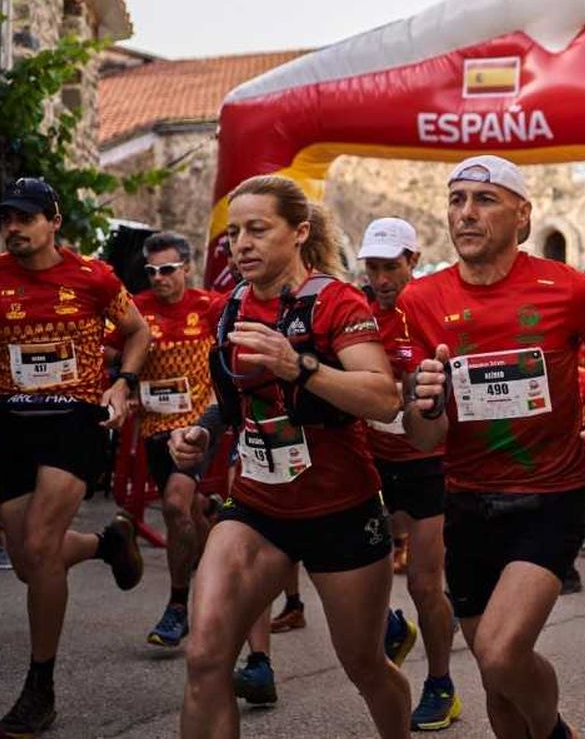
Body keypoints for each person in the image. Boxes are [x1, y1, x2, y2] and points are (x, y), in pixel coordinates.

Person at [403, 155, 585, 739]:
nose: (466, 213)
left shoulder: (567, 289)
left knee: (503, 653)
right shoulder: (420, 300)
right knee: (493, 683)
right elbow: (423, 437)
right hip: (467, 499)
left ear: (522, 215)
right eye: (457, 199)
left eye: (484, 199)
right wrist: (424, 403)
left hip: (549, 496)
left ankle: (557, 733)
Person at [169, 175, 411, 739]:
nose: (242, 245)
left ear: (299, 232)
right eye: (234, 234)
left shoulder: (335, 302)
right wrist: (203, 433)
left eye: (258, 229)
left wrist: (298, 366)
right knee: (204, 658)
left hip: (341, 509)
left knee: (365, 666)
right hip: (258, 505)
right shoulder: (229, 307)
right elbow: (228, 400)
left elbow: (381, 396)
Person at [0, 178, 150, 737]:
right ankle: (105, 542)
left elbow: (137, 332)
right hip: (12, 421)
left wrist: (122, 386)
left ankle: (39, 688)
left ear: (53, 221)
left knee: (41, 546)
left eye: (25, 218)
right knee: (27, 562)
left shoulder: (94, 277)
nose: (13, 228)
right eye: (7, 218)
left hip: (74, 418)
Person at [357, 217, 462, 732]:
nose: (380, 279)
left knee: (424, 583)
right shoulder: (354, 314)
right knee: (361, 584)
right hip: (371, 462)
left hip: (427, 465)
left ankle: (441, 683)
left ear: (413, 262)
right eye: (372, 268)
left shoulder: (431, 314)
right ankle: (393, 629)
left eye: (390, 267)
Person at [111, 231, 225, 650]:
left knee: (175, 505)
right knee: (188, 510)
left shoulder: (209, 306)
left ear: (186, 268)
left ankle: (178, 606)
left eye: (167, 270)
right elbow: (108, 355)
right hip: (155, 428)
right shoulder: (136, 310)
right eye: (151, 271)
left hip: (199, 424)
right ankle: (211, 517)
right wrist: (121, 388)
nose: (159, 278)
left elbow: (230, 355)